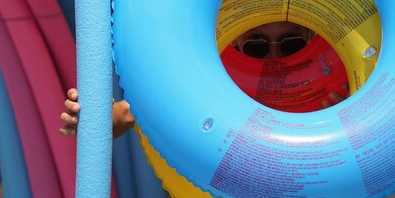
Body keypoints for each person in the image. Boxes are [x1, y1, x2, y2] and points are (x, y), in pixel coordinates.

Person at [60, 21, 345, 136]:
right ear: (235, 44)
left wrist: (341, 116)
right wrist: (91, 120)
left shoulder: (328, 87)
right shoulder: (210, 82)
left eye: (291, 44)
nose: (274, 57)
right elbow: (128, 115)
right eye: (256, 45)